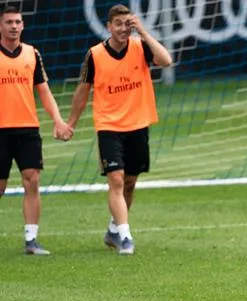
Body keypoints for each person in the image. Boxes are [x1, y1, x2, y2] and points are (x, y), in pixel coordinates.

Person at [65, 4, 173, 255]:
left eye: (128, 23)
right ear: (109, 27)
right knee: (115, 179)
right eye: (119, 24)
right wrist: (70, 123)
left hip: (137, 124)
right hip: (109, 126)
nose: (124, 29)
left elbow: (166, 61)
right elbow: (82, 91)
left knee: (130, 182)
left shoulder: (140, 46)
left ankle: (114, 229)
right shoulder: (95, 55)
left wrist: (143, 33)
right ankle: (125, 236)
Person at [0, 5, 72, 255]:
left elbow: (44, 91)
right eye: (9, 22)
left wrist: (59, 121)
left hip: (27, 129)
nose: (14, 26)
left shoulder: (32, 54)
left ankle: (31, 240)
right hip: (0, 130)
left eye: (18, 22)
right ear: (1, 25)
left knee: (32, 180)